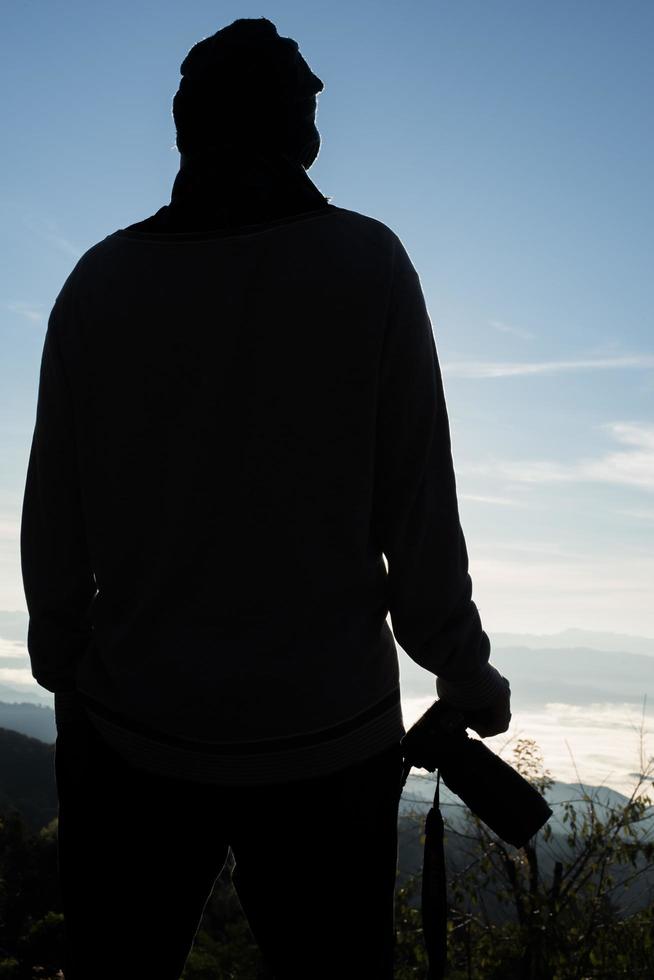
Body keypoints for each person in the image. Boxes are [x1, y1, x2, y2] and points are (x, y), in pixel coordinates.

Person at [19, 16, 511, 980]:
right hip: (327, 739)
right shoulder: (367, 266)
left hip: (135, 735)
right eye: (309, 101)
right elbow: (416, 510)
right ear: (293, 127)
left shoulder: (99, 283)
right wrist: (463, 668)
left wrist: (64, 663)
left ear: (185, 130)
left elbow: (54, 519)